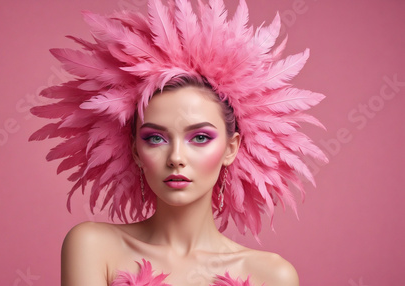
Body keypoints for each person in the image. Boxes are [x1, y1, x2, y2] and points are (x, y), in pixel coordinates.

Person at [30, 0, 327, 285]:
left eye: (200, 137)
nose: (176, 157)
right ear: (135, 150)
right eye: (155, 138)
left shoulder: (272, 276)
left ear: (231, 148)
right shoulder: (93, 247)